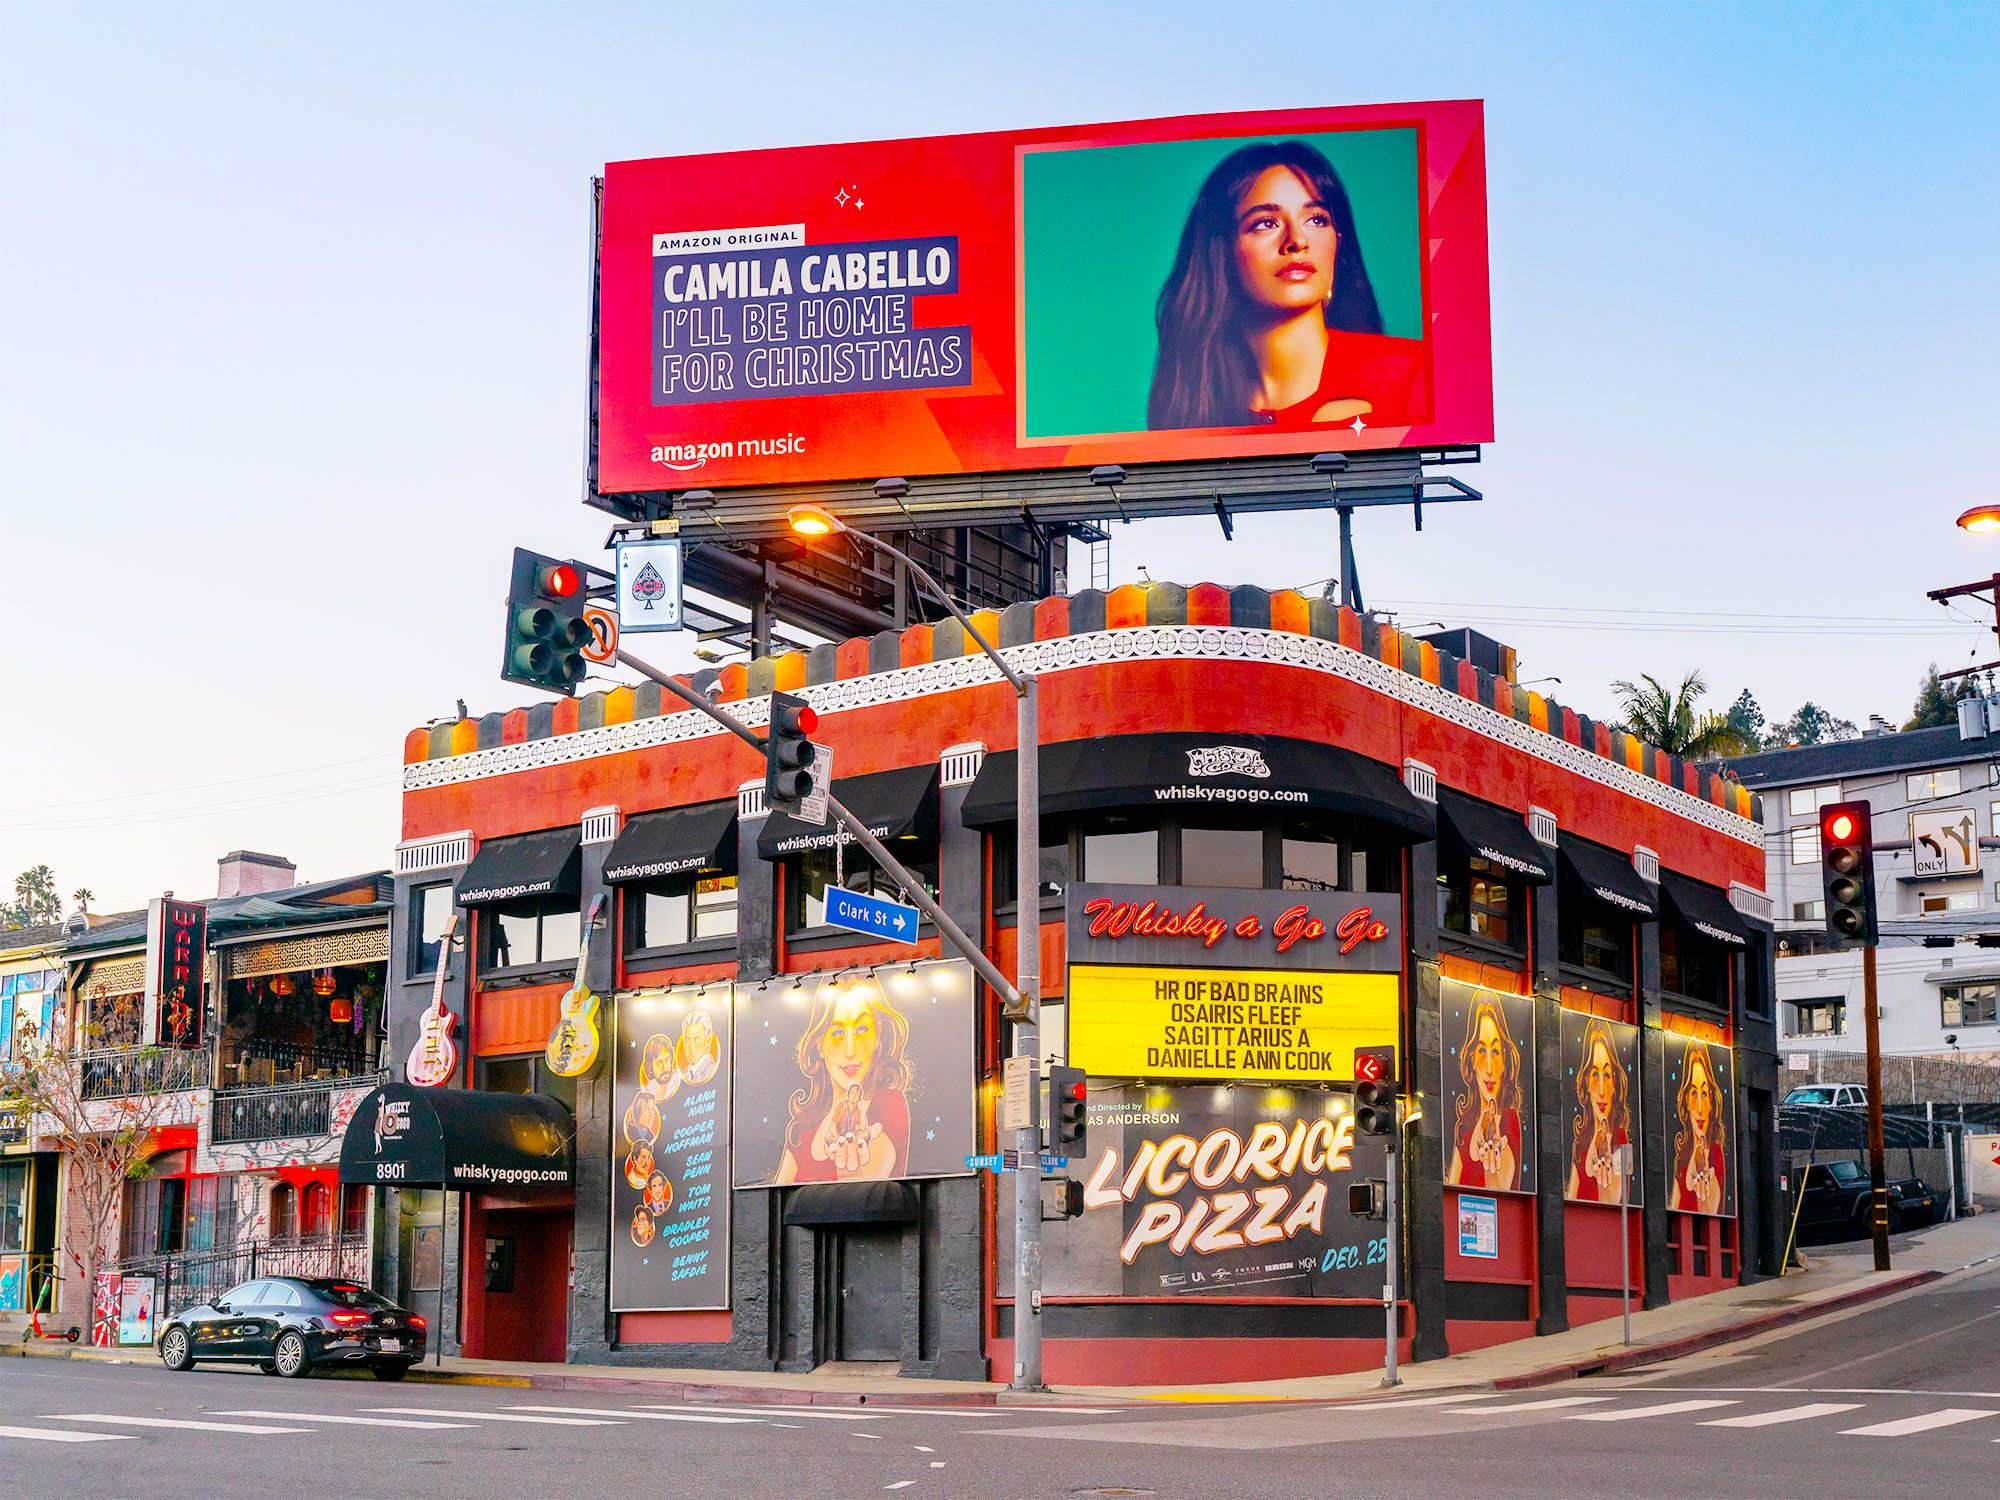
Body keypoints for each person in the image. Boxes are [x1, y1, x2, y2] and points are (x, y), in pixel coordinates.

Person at [1148, 139, 1427, 433]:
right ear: (1221, 253)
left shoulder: (1414, 373)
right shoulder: (1193, 406)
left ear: (1337, 244)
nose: (1297, 241)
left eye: (1316, 219)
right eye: (1266, 223)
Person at [774, 981, 913, 1184]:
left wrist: (855, 1170)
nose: (850, 1050)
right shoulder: (803, 1131)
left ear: (878, 1039)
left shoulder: (888, 1102)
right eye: (838, 1032)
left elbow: (873, 1178)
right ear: (819, 1044)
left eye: (862, 1029)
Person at [1446, 995, 1524, 1191]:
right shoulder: (1465, 1127)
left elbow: (1502, 1199)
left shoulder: (1508, 1120)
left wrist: (1491, 1174)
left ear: (1505, 1060)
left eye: (1496, 1052)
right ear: (1471, 1059)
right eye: (1481, 1051)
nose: (1489, 1068)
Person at [1568, 1018, 1633, 1203]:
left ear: (1614, 1084)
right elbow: (1570, 1198)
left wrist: (1602, 1187)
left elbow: (1619, 1203)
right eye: (1595, 1074)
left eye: (1607, 1075)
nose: (1602, 1090)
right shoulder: (1581, 1142)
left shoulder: (1620, 1139)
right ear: (1586, 1082)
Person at [1671, 1041, 1727, 1216]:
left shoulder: (1715, 1154)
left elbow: (1712, 1214)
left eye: (1704, 1093)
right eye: (1694, 1093)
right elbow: (1673, 1208)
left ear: (1711, 1103)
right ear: (1686, 1101)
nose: (1700, 1107)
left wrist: (1703, 1197)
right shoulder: (1682, 1159)